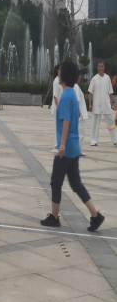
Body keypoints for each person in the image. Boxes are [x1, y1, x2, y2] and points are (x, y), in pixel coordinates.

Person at [41, 60, 105, 232]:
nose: (58, 73)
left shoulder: (65, 97)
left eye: (59, 71)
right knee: (76, 184)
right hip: (74, 147)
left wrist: (61, 144)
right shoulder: (72, 95)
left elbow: (67, 121)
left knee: (55, 182)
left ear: (64, 76)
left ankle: (55, 217)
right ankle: (95, 215)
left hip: (67, 148)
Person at [88, 61, 117, 147]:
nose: (101, 68)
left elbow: (110, 92)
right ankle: (94, 140)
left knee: (111, 122)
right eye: (99, 66)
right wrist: (90, 104)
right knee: (95, 123)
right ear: (97, 68)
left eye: (102, 66)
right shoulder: (94, 79)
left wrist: (113, 103)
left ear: (104, 67)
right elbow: (90, 93)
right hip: (97, 104)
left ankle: (115, 140)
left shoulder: (107, 78)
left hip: (106, 104)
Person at [74, 75, 88, 157]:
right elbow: (77, 100)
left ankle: (79, 150)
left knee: (80, 133)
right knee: (81, 133)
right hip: (80, 113)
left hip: (80, 113)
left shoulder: (74, 86)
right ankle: (77, 150)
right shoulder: (76, 86)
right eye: (79, 76)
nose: (80, 77)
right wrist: (78, 111)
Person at [51, 65, 62, 152]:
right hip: (57, 107)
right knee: (57, 127)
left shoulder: (61, 80)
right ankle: (56, 144)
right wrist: (58, 107)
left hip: (61, 107)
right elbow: (55, 96)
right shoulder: (56, 81)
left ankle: (59, 143)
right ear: (58, 70)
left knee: (60, 127)